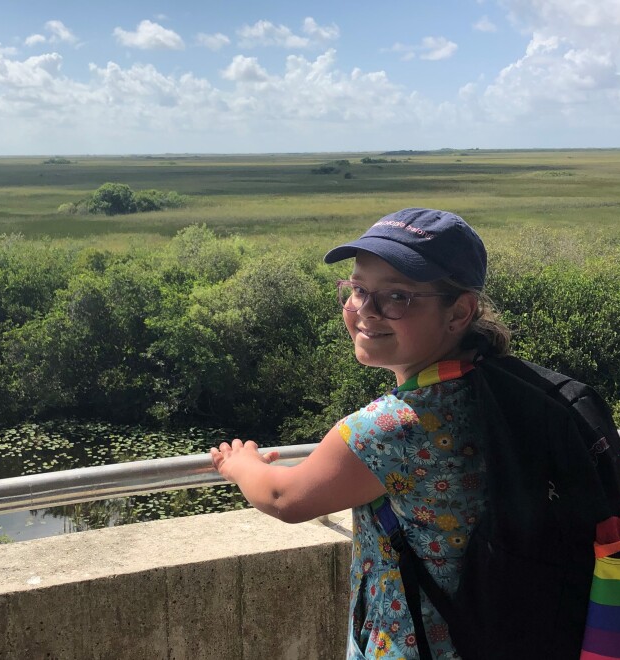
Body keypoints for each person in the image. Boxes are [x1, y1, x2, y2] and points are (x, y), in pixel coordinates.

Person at [210, 207, 511, 659]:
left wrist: (240, 464)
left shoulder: (392, 426)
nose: (364, 311)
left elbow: (284, 498)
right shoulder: (492, 384)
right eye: (356, 289)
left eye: (396, 297)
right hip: (491, 635)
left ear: (459, 312)